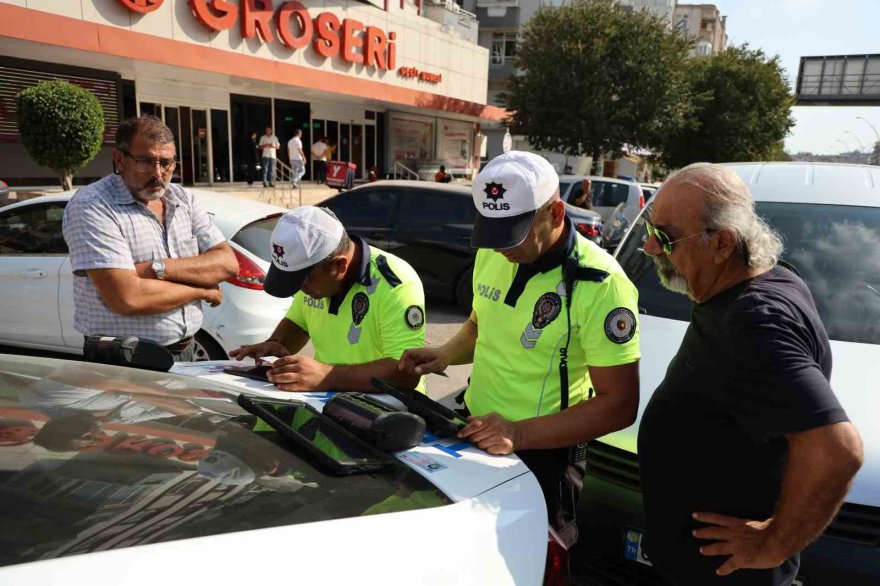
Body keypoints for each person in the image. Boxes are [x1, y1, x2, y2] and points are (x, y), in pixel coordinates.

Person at [636, 163, 863, 585]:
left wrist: (773, 543)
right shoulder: (767, 283)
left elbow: (838, 451)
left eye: (665, 236)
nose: (649, 247)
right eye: (649, 228)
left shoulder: (753, 322)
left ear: (722, 243)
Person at [399, 151, 641, 544]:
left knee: (535, 563)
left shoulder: (601, 283)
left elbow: (620, 404)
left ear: (557, 213)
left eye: (515, 233)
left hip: (544, 453)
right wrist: (444, 355)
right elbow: (481, 326)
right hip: (476, 430)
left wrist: (520, 434)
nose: (502, 249)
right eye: (494, 232)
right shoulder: (492, 254)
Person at [62, 115, 239, 362]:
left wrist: (155, 269)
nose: (157, 173)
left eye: (165, 162)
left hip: (187, 350)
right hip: (124, 358)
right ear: (119, 160)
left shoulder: (183, 199)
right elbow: (128, 298)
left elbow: (227, 263)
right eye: (145, 161)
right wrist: (199, 290)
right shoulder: (93, 206)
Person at [230, 206, 426, 392]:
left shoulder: (396, 285)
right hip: (330, 403)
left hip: (390, 415)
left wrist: (328, 375)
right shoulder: (317, 279)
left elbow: (406, 372)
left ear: (340, 265)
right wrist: (278, 343)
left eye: (303, 280)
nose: (300, 289)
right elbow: (298, 323)